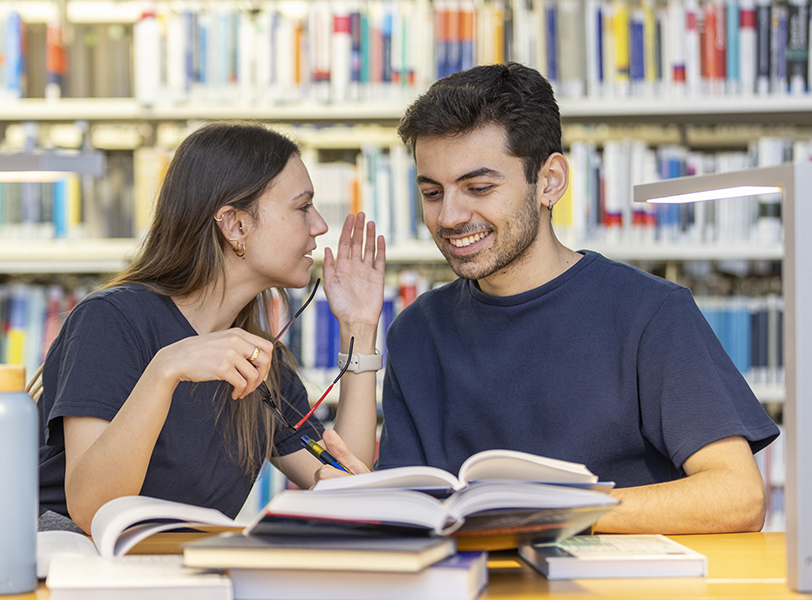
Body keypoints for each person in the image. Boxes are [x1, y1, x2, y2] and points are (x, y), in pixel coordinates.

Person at [321, 62, 780, 535]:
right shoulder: (417, 331)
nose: (450, 216)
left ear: (550, 181)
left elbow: (737, 497)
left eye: (479, 188)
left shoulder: (651, 313)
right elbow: (411, 506)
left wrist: (547, 512)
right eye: (433, 192)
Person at [37, 122, 385, 534]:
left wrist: (360, 329)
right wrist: (166, 370)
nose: (319, 226)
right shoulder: (111, 320)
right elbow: (93, 507)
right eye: (302, 207)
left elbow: (345, 478)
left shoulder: (258, 362)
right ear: (235, 225)